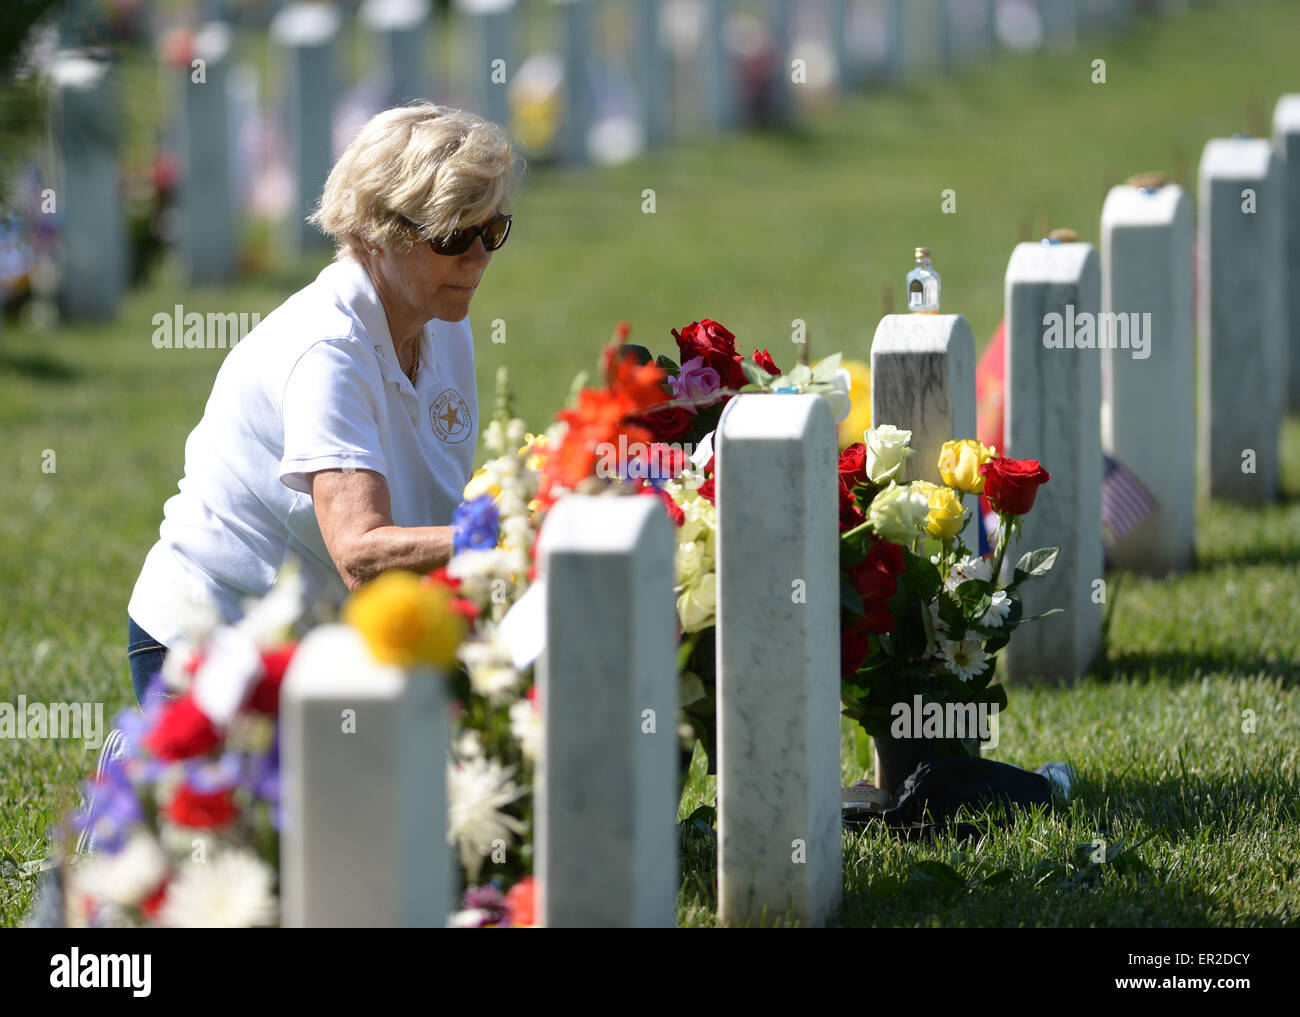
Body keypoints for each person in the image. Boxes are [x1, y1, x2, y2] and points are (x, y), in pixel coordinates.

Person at [125, 102, 522, 707]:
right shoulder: (328, 349)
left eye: (492, 230)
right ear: (373, 233)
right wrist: (506, 537)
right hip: (213, 644)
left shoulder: (441, 315)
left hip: (333, 639)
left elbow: (433, 509)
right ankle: (135, 753)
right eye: (451, 237)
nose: (478, 259)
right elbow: (363, 555)